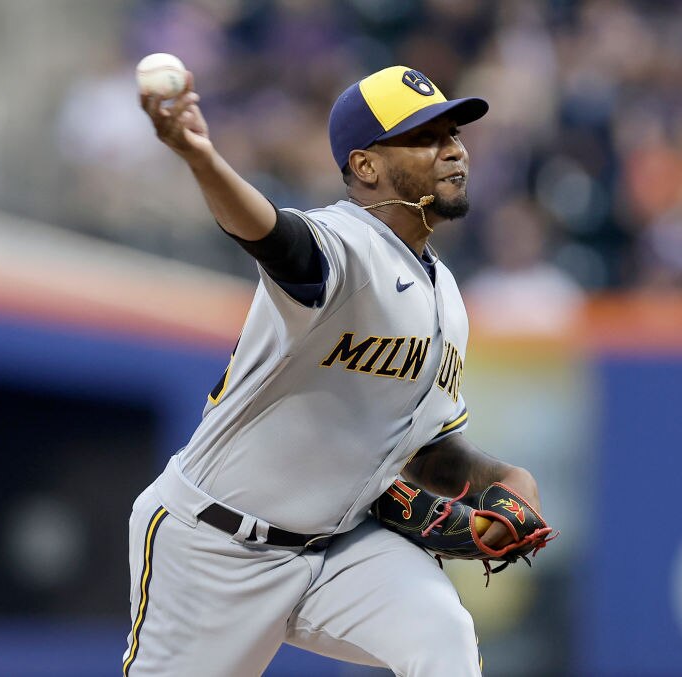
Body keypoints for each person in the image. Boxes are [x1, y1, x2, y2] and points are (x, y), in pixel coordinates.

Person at [124, 64, 545, 676]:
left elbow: (425, 449)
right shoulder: (343, 246)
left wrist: (502, 475)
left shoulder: (447, 294)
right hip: (215, 550)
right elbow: (271, 235)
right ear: (366, 165)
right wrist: (201, 159)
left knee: (443, 637)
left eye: (454, 134)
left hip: (340, 549)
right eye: (427, 137)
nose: (454, 151)